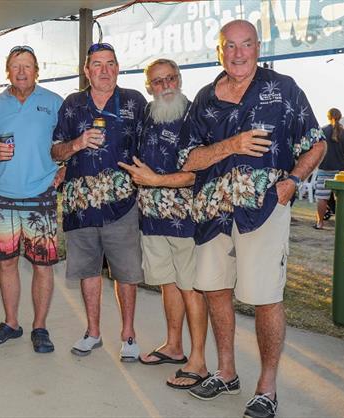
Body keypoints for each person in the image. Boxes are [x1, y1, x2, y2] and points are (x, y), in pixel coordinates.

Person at [178, 20, 326, 418]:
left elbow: (316, 143)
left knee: (265, 297)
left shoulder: (283, 89)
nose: (239, 53)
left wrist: (292, 182)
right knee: (214, 290)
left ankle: (266, 387)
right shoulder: (205, 98)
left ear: (258, 48)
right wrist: (232, 145)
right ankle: (226, 372)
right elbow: (188, 159)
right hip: (213, 212)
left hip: (263, 209)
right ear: (219, 51)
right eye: (230, 46)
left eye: (246, 45)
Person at [51, 42, 146, 360]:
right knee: (88, 270)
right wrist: (76, 144)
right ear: (86, 70)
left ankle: (129, 335)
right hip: (80, 206)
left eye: (110, 64)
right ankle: (92, 332)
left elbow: (148, 147)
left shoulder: (134, 101)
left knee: (126, 272)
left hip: (122, 205)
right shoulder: (72, 104)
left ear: (118, 68)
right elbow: (55, 151)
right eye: (97, 64)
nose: (104, 70)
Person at [117, 58, 209, 389]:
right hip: (152, 218)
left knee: (191, 288)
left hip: (186, 219)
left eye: (170, 78)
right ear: (149, 87)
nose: (165, 85)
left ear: (180, 79)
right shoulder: (145, 116)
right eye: (158, 81)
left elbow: (199, 171)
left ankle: (198, 360)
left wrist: (155, 181)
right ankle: (174, 346)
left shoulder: (196, 116)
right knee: (167, 284)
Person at [0, 45, 64, 352]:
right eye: (16, 66)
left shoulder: (54, 103)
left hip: (40, 195)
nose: (22, 71)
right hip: (1, 197)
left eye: (28, 66)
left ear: (37, 71)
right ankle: (11, 323)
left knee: (42, 266)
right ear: (7, 71)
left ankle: (40, 328)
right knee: (7, 263)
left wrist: (64, 169)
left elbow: (65, 145)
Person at [314, 108, 344, 229]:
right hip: (341, 170)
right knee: (340, 198)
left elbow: (315, 150)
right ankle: (340, 224)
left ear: (328, 117)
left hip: (324, 168)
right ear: (340, 117)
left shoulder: (321, 131)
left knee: (322, 197)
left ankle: (320, 223)